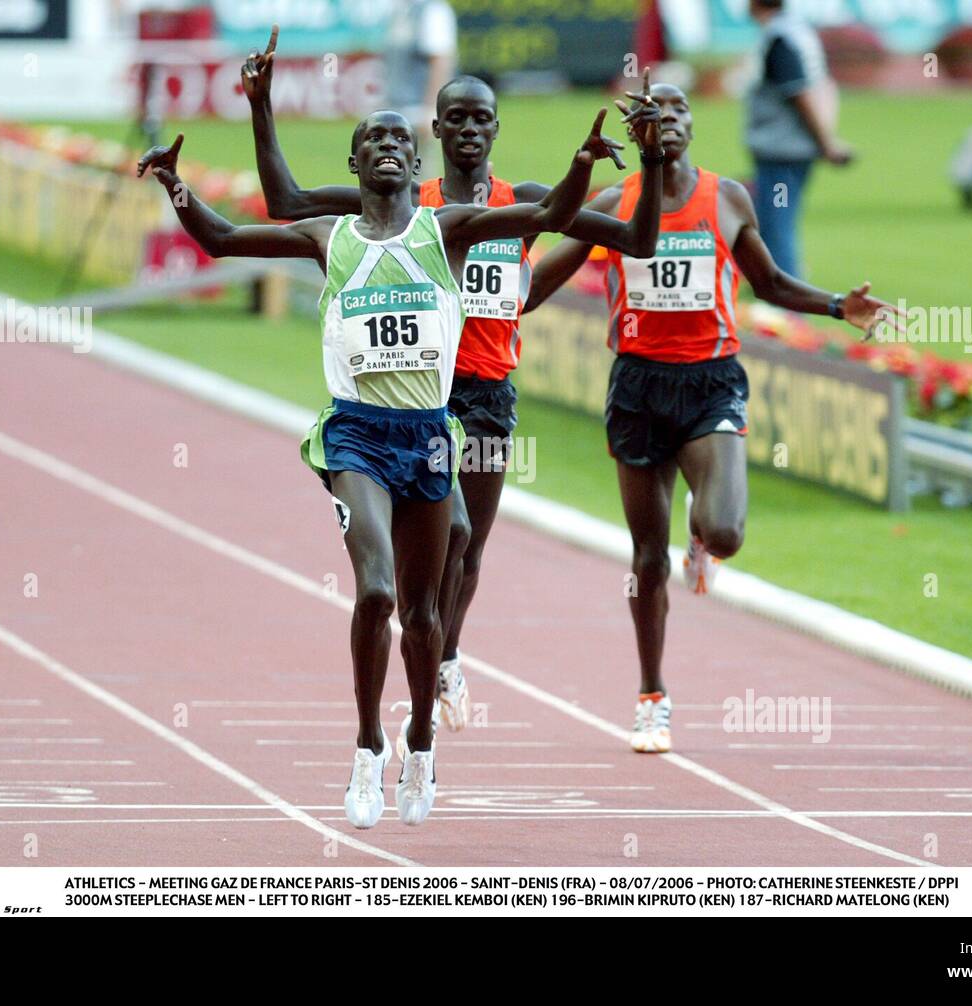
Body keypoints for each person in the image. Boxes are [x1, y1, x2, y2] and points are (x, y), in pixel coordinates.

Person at [139, 104, 652, 828]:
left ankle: (420, 737)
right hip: (355, 435)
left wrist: (581, 163)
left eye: (398, 141)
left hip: (431, 436)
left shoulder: (448, 230)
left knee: (421, 611)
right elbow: (221, 239)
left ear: (418, 169)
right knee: (375, 591)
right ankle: (367, 747)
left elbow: (559, 212)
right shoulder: (330, 234)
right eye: (371, 140)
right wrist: (173, 182)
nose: (386, 147)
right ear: (355, 167)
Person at [241, 29, 662, 758]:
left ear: (496, 129)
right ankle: (429, 665)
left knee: (470, 553)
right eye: (455, 119)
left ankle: (446, 655)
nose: (468, 130)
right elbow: (286, 199)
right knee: (455, 530)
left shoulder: (521, 205)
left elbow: (637, 239)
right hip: (419, 401)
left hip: (489, 396)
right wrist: (262, 104)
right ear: (435, 131)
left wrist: (652, 162)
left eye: (481, 119)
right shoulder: (407, 203)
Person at [524, 81, 898, 755]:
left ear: (692, 125)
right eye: (654, 113)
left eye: (679, 110)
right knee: (645, 557)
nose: (668, 120)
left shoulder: (727, 199)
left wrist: (841, 305)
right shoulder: (614, 204)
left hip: (711, 382)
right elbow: (541, 281)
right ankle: (651, 697)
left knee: (723, 531)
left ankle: (701, 542)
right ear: (638, 133)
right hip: (637, 385)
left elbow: (773, 284)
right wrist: (485, 300)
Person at [744, 0, 849, 280]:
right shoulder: (799, 32)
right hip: (795, 147)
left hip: (782, 151)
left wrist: (826, 142)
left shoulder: (780, 39)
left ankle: (788, 306)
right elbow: (824, 86)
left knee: (777, 227)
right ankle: (773, 288)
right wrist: (827, 137)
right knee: (770, 222)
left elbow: (799, 93)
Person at [382, 0, 457, 177]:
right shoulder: (401, 9)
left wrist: (432, 109)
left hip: (417, 110)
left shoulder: (433, 10)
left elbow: (440, 61)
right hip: (397, 108)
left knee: (419, 179)